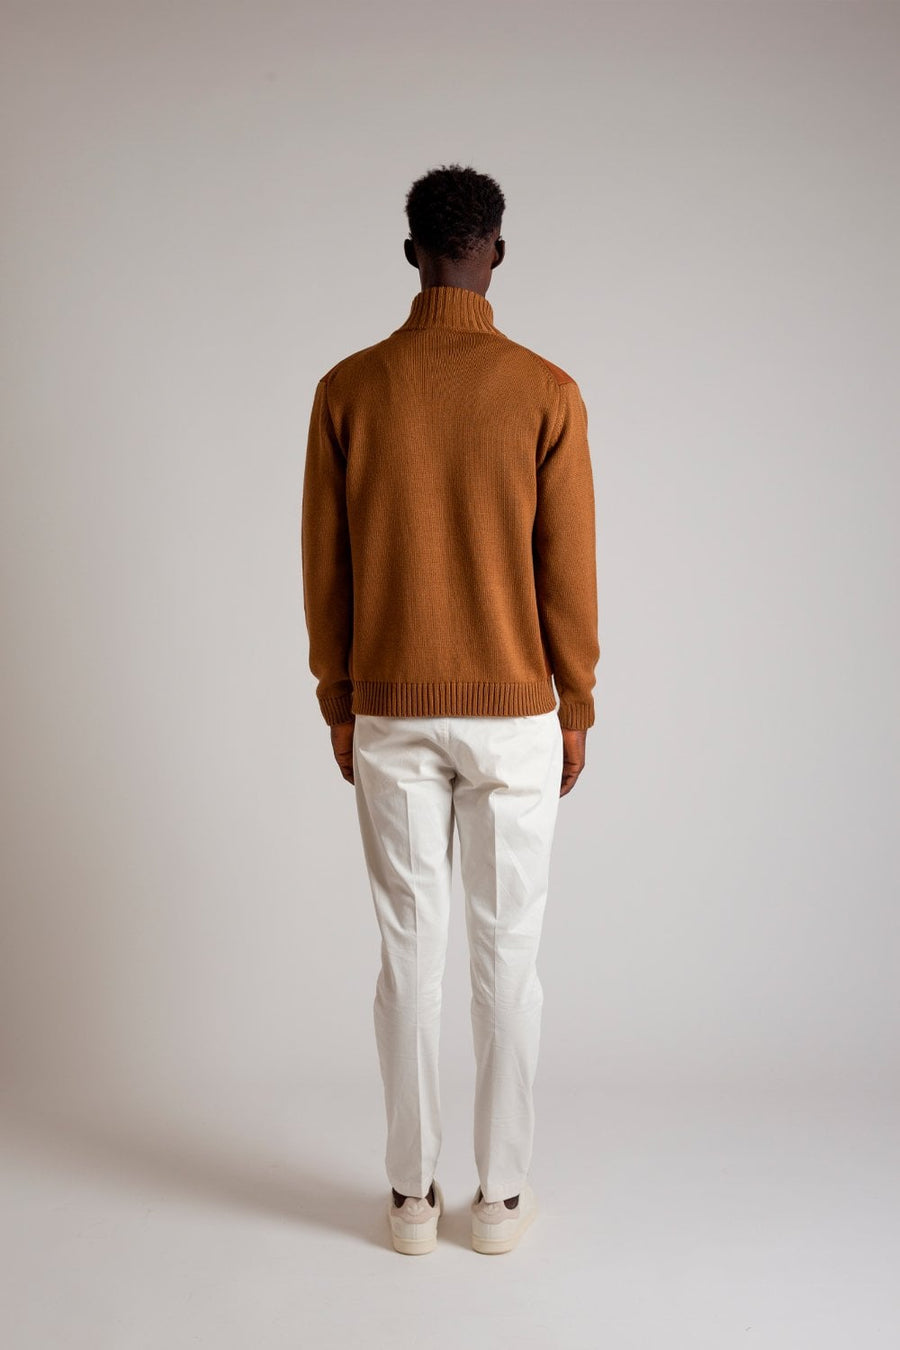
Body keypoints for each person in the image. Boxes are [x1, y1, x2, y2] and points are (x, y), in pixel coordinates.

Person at [300, 163, 599, 1255]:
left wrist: (340, 700)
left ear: (411, 252)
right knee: (507, 956)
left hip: (390, 710)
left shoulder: (349, 388)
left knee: (407, 955)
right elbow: (569, 569)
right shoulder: (546, 390)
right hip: (517, 716)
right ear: (496, 255)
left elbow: (325, 568)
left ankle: (411, 1198)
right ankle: (500, 1200)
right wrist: (576, 702)